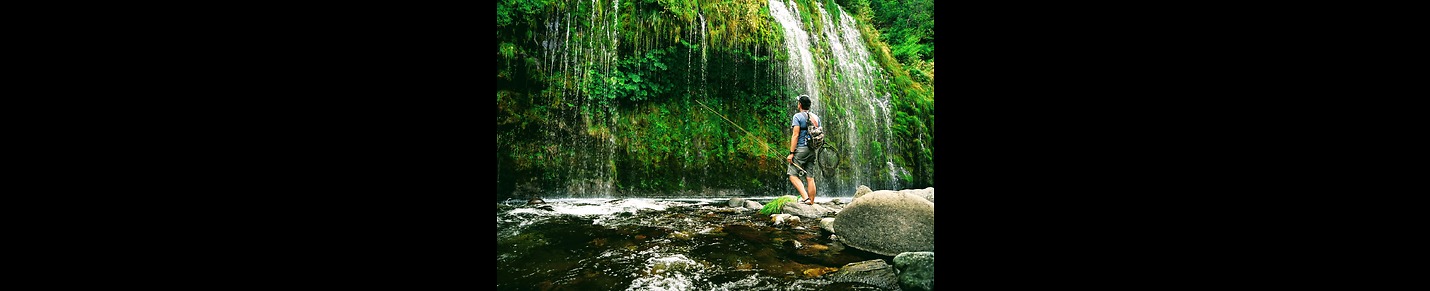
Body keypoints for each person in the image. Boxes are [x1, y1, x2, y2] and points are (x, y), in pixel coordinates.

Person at [786, 95, 820, 205]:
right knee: (810, 177)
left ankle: (805, 198)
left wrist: (791, 153)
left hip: (801, 149)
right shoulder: (815, 117)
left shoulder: (797, 117)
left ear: (800, 104)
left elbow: (795, 135)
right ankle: (812, 201)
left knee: (792, 174)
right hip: (812, 150)